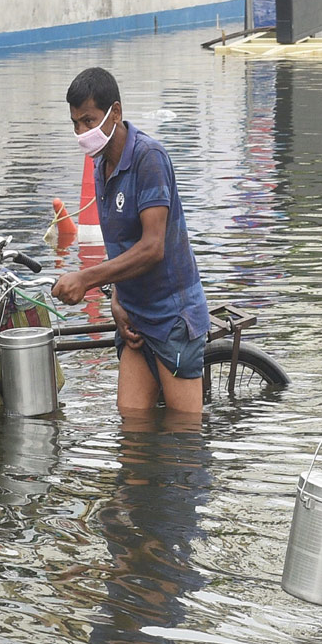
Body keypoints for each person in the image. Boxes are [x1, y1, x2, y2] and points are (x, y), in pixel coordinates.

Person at [52, 67, 209, 415]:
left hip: (172, 318)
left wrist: (86, 278)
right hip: (134, 318)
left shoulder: (148, 158)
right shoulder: (100, 165)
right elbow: (120, 245)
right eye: (76, 123)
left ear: (116, 113)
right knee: (132, 431)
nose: (82, 132)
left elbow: (153, 247)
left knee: (185, 439)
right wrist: (117, 302)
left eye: (89, 121)